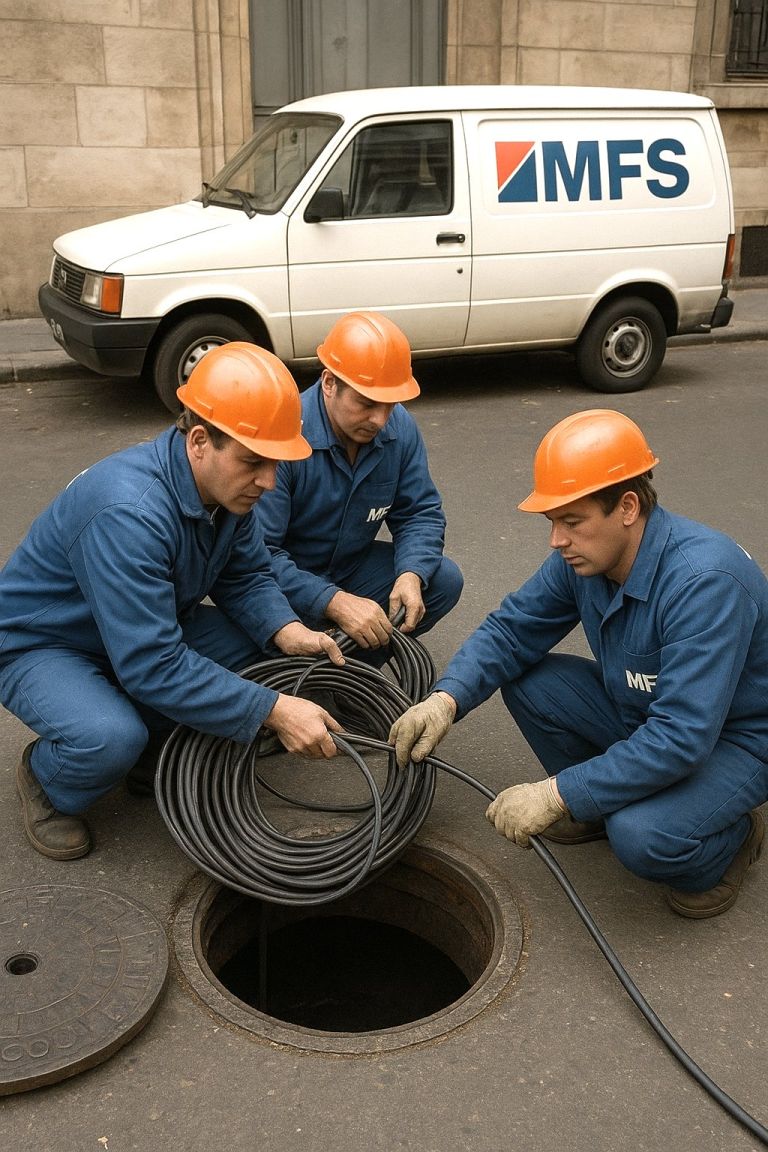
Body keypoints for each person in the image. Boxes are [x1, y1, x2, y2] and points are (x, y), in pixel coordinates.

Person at [390, 409, 768, 918]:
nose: (557, 540)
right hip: (649, 714)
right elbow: (511, 630)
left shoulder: (703, 583)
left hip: (736, 739)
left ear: (628, 507)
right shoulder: (588, 558)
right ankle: (598, 805)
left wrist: (557, 794)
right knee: (529, 680)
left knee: (641, 836)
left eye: (572, 522)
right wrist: (445, 699)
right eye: (553, 522)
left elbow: (682, 737)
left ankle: (732, 839)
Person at [0, 342, 346, 861]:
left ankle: (153, 747)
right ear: (200, 440)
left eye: (275, 463)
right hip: (45, 644)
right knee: (110, 738)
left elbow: (245, 577)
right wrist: (272, 709)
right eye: (254, 462)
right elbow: (152, 664)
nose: (269, 481)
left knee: (259, 651)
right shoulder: (128, 513)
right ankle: (48, 779)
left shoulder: (225, 490)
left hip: (139, 631)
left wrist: (287, 630)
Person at [256, 311, 463, 653]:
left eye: (389, 405)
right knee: (258, 637)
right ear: (329, 383)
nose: (379, 420)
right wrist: (333, 601)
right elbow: (258, 556)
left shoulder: (399, 428)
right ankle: (305, 671)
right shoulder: (285, 433)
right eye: (366, 404)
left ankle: (351, 676)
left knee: (441, 580)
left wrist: (411, 573)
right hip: (286, 584)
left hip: (349, 569)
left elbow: (419, 513)